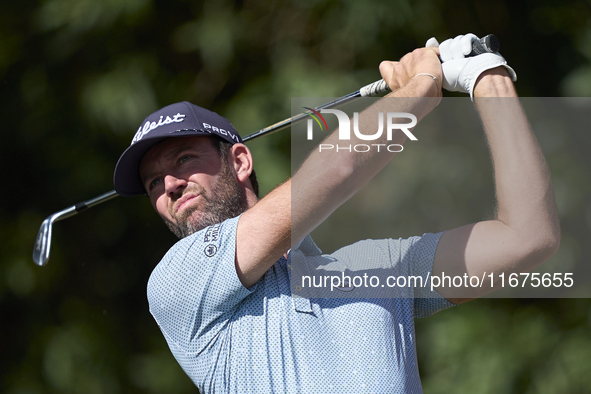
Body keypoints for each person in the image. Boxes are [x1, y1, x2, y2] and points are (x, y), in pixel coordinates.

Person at [113, 34, 560, 393]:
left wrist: (488, 76)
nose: (169, 185)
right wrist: (423, 89)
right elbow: (337, 170)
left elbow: (528, 237)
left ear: (241, 162)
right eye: (154, 183)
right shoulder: (176, 282)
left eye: (185, 160)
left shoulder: (373, 268)